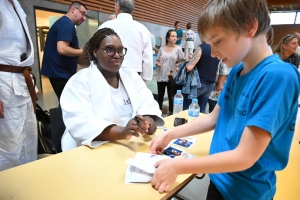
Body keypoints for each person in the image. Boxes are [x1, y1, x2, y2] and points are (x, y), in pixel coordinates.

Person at [150, 1, 300, 200]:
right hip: (220, 179)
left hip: (245, 193)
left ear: (250, 26)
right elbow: (214, 118)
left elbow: (245, 156)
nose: (213, 53)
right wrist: (170, 135)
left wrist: (178, 166)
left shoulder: (278, 76)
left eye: (218, 42)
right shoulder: (238, 69)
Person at [60, 28, 165, 151]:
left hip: (127, 144)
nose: (117, 55)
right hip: (91, 147)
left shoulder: (131, 76)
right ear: (95, 52)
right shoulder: (79, 81)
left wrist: (148, 120)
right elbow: (80, 123)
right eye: (109, 49)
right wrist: (121, 131)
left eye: (120, 50)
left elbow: (147, 102)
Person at [0, 0, 38, 171]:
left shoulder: (16, 3)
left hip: (21, 80)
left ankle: (26, 182)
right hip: (4, 83)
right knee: (9, 147)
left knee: (29, 139)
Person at [41, 1, 87, 101]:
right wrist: (83, 52)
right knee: (67, 102)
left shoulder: (64, 23)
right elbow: (62, 49)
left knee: (65, 101)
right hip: (60, 73)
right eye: (82, 14)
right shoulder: (67, 24)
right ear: (73, 9)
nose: (84, 18)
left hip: (59, 72)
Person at [99, 0, 153, 82]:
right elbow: (148, 58)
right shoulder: (142, 29)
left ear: (118, 7)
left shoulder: (105, 26)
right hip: (134, 74)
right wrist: (144, 80)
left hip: (107, 72)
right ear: (132, 9)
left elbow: (95, 51)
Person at [183, 42, 220, 113]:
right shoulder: (217, 48)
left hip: (198, 83)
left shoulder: (201, 47)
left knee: (188, 109)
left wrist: (189, 61)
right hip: (210, 84)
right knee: (201, 110)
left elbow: (189, 67)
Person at [155, 30, 184, 116]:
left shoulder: (178, 49)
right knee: (160, 95)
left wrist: (178, 66)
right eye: (173, 36)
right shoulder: (161, 48)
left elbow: (182, 61)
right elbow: (157, 60)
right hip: (161, 75)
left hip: (172, 76)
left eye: (175, 36)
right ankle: (158, 113)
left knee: (172, 96)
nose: (175, 38)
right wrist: (158, 63)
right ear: (167, 38)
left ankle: (171, 114)